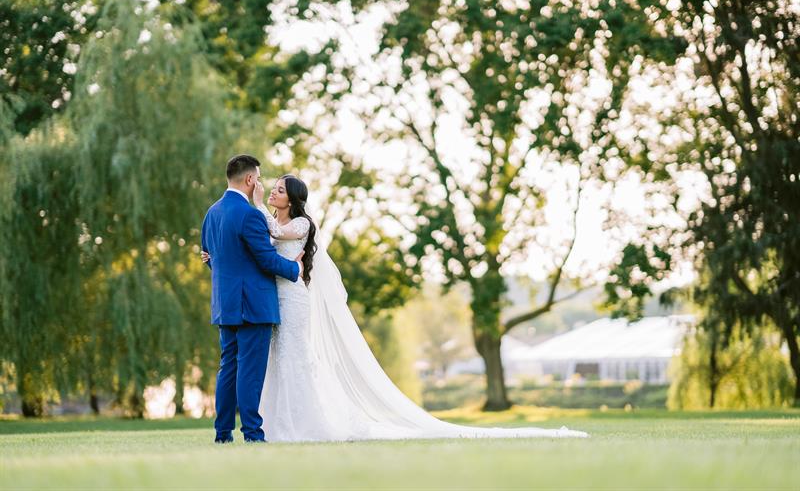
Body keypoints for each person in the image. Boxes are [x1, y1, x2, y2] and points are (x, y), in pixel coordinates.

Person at [204, 172, 588, 442]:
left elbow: (272, 237)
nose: (272, 192)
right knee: (275, 362)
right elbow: (253, 249)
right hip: (270, 299)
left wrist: (256, 206)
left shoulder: (299, 224)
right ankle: (271, 425)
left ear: (294, 198)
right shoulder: (264, 219)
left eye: (278, 189)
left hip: (291, 298)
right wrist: (221, 252)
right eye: (270, 187)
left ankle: (301, 424)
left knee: (294, 358)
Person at [200, 155, 303, 443]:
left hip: (226, 304)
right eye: (258, 178)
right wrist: (295, 269)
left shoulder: (211, 213)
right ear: (249, 179)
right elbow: (267, 259)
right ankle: (253, 434)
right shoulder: (250, 215)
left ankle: (222, 434)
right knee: (250, 371)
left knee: (228, 368)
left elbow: (213, 258)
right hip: (253, 305)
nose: (260, 183)